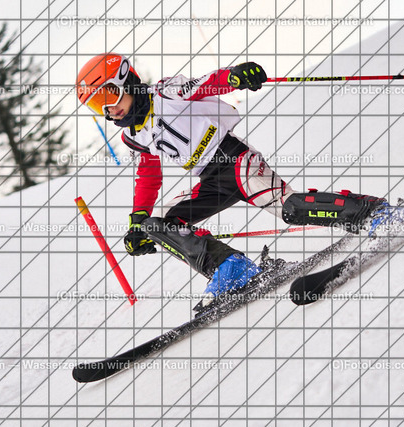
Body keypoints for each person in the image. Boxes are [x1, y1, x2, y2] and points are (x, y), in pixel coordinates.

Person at [76, 53, 388, 311]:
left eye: (108, 95)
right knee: (157, 223)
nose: (108, 109)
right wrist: (138, 219)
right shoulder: (133, 136)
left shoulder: (165, 93)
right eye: (97, 106)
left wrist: (235, 77)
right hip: (209, 181)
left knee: (289, 208)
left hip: (234, 161)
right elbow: (148, 175)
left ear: (127, 80)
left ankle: (371, 212)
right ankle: (231, 268)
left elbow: (207, 84)